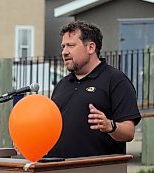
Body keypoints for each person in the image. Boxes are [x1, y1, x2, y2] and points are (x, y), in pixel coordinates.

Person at [47, 20, 141, 158]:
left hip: (96, 172)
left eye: (71, 46)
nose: (64, 52)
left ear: (91, 47)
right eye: (63, 46)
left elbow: (129, 132)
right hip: (57, 170)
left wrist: (110, 126)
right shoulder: (62, 84)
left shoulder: (115, 80)